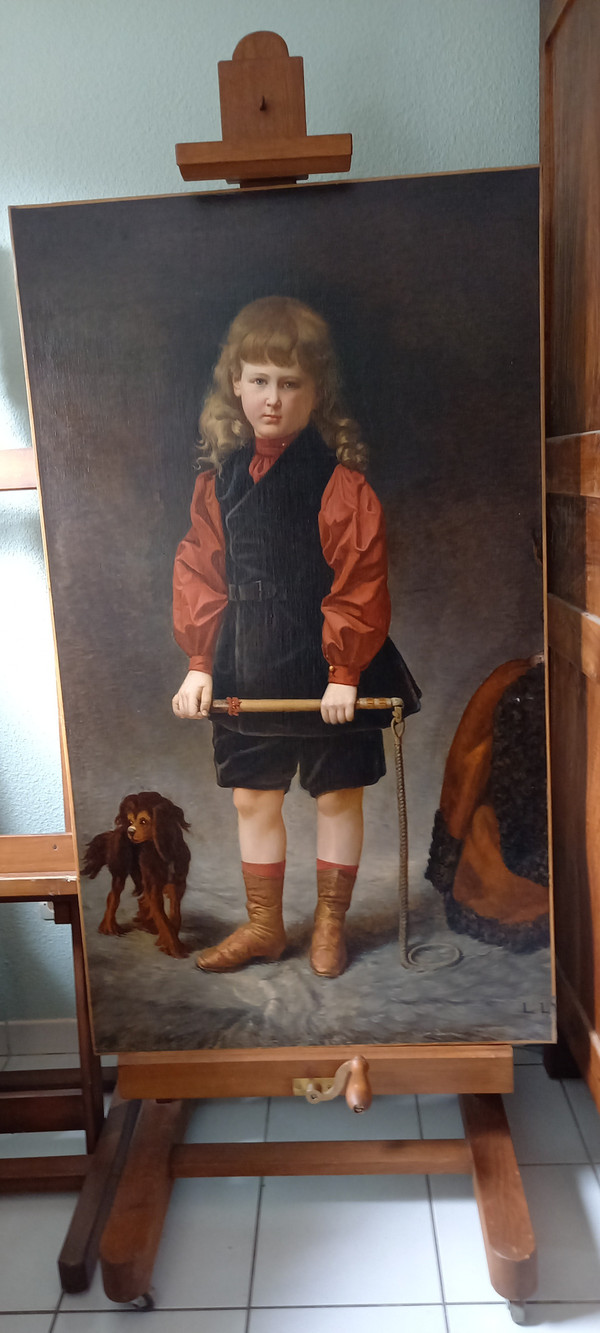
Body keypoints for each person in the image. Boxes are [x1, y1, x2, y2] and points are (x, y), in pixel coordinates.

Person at [172, 296, 420, 978]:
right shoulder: (216, 483)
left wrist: (344, 671)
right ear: (236, 385)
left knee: (338, 791)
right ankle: (264, 927)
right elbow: (201, 568)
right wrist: (199, 662)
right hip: (248, 657)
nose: (272, 399)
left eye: (289, 384)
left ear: (317, 394)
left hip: (327, 658)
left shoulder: (339, 482)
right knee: (255, 795)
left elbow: (361, 576)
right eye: (259, 380)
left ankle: (330, 927)